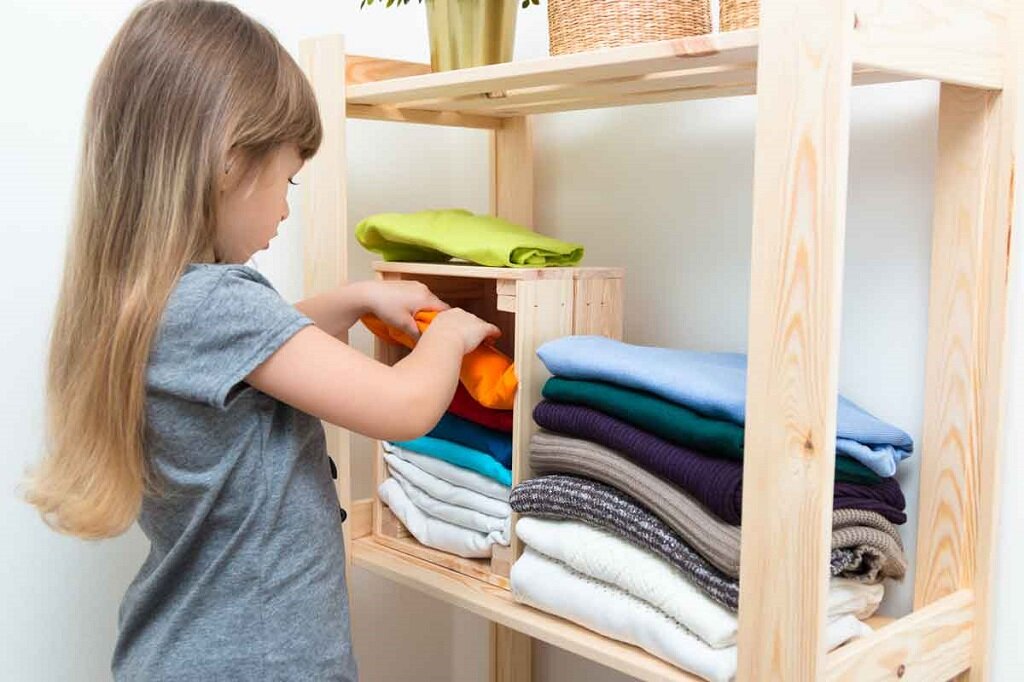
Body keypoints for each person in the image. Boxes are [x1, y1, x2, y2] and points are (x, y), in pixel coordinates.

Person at [24, 1, 499, 679]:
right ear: (227, 162)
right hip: (261, 662)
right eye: (288, 179)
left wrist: (351, 300)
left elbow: (256, 362)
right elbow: (403, 407)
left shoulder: (152, 299)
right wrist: (449, 334)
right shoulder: (221, 302)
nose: (284, 208)